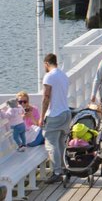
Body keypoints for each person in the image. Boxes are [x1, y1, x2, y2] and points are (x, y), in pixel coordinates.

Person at [40, 54, 69, 183]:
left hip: (55, 114)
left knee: (51, 144)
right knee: (60, 143)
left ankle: (57, 172)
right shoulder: (63, 75)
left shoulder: (49, 76)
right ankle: (63, 168)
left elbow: (46, 98)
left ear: (46, 63)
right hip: (66, 112)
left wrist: (41, 117)